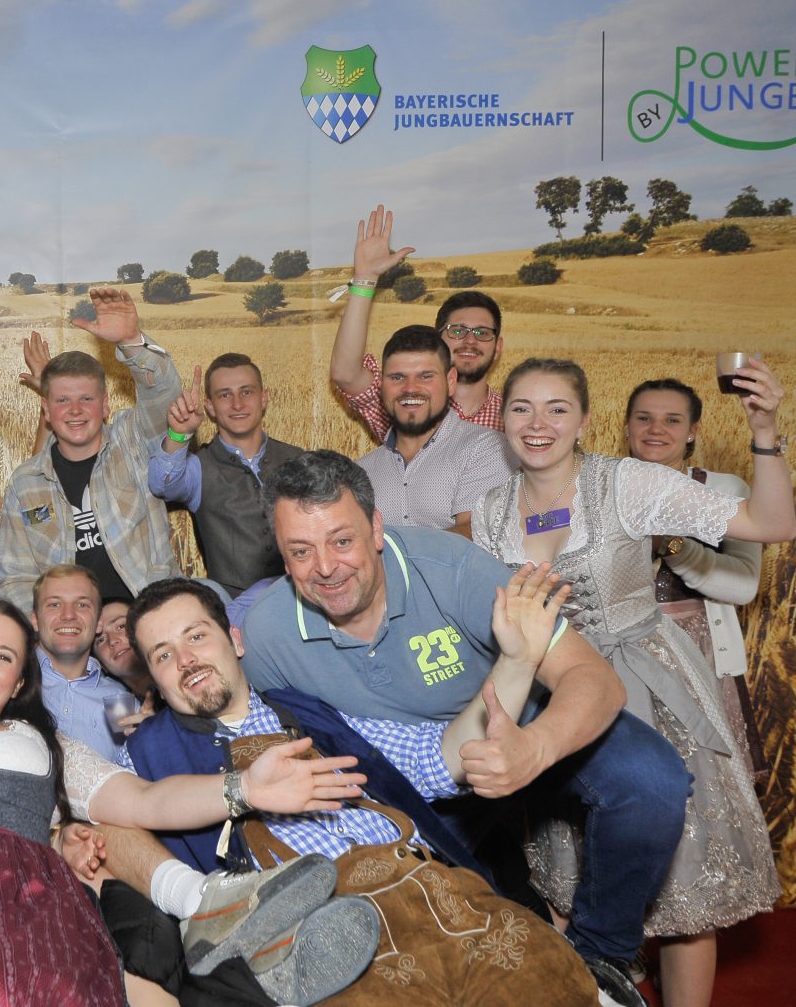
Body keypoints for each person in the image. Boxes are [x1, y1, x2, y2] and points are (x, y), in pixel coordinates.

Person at [240, 450, 692, 1007]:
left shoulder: (450, 567)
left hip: (521, 728)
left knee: (651, 779)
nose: (326, 567)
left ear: (376, 529)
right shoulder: (267, 636)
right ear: (282, 556)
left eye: (341, 540)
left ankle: (601, 960)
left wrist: (534, 748)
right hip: (412, 788)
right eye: (300, 551)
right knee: (455, 938)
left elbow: (594, 678)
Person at [0, 599, 370, 1006]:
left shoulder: (46, 747)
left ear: (18, 684)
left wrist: (242, 788)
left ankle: (243, 954)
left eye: (4, 657)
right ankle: (251, 976)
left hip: (21, 919)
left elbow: (144, 802)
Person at [472, 357, 793, 1007]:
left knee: (680, 892)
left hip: (648, 689)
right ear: (502, 419)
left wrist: (765, 433)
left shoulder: (628, 482)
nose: (538, 424)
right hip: (551, 701)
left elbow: (772, 524)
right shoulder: (489, 510)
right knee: (568, 880)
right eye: (522, 408)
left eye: (557, 408)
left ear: (585, 420)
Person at [118, 576, 599, 1005]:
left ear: (235, 639)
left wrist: (516, 662)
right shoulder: (145, 755)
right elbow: (105, 833)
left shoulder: (306, 709)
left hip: (435, 893)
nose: (186, 661)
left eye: (196, 636)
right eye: (163, 655)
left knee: (556, 984)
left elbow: (435, 759)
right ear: (153, 679)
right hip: (325, 943)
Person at [0, 287, 183, 610]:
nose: (75, 410)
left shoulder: (132, 440)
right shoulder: (25, 483)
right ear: (46, 409)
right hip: (69, 631)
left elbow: (164, 396)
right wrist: (48, 624)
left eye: (86, 398)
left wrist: (131, 342)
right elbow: (16, 578)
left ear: (105, 404)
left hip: (150, 615)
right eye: (63, 400)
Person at [625, 378, 767, 781]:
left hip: (700, 656)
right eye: (644, 418)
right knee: (635, 778)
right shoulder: (602, 487)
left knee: (706, 780)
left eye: (672, 420)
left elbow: (743, 586)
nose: (656, 429)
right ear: (628, 426)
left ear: (692, 431)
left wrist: (671, 546)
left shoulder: (723, 489)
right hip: (622, 654)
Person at [329, 204, 505, 442]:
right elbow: (346, 374)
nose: (470, 340)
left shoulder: (515, 416)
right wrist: (365, 279)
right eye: (457, 331)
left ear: (498, 347)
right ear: (438, 339)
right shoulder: (405, 401)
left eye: (482, 333)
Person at [148, 354, 305, 596]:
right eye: (224, 395)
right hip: (233, 608)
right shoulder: (199, 467)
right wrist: (179, 434)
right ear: (210, 406)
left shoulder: (299, 460)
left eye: (246, 392)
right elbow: (162, 485)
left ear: (263, 398)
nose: (237, 404)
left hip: (302, 599)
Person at [354, 325, 514, 536]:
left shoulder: (486, 448)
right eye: (397, 377)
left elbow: (475, 535)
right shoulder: (360, 472)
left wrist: (383, 548)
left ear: (450, 382)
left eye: (426, 376)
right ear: (381, 386)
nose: (410, 388)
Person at [32, 565, 143, 762]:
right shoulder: (9, 678)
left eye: (82, 605)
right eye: (54, 604)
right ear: (34, 620)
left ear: (99, 622)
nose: (68, 615)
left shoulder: (119, 701)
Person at [94, 596, 155, 702]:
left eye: (121, 626)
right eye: (101, 640)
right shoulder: (120, 709)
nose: (112, 640)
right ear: (101, 665)